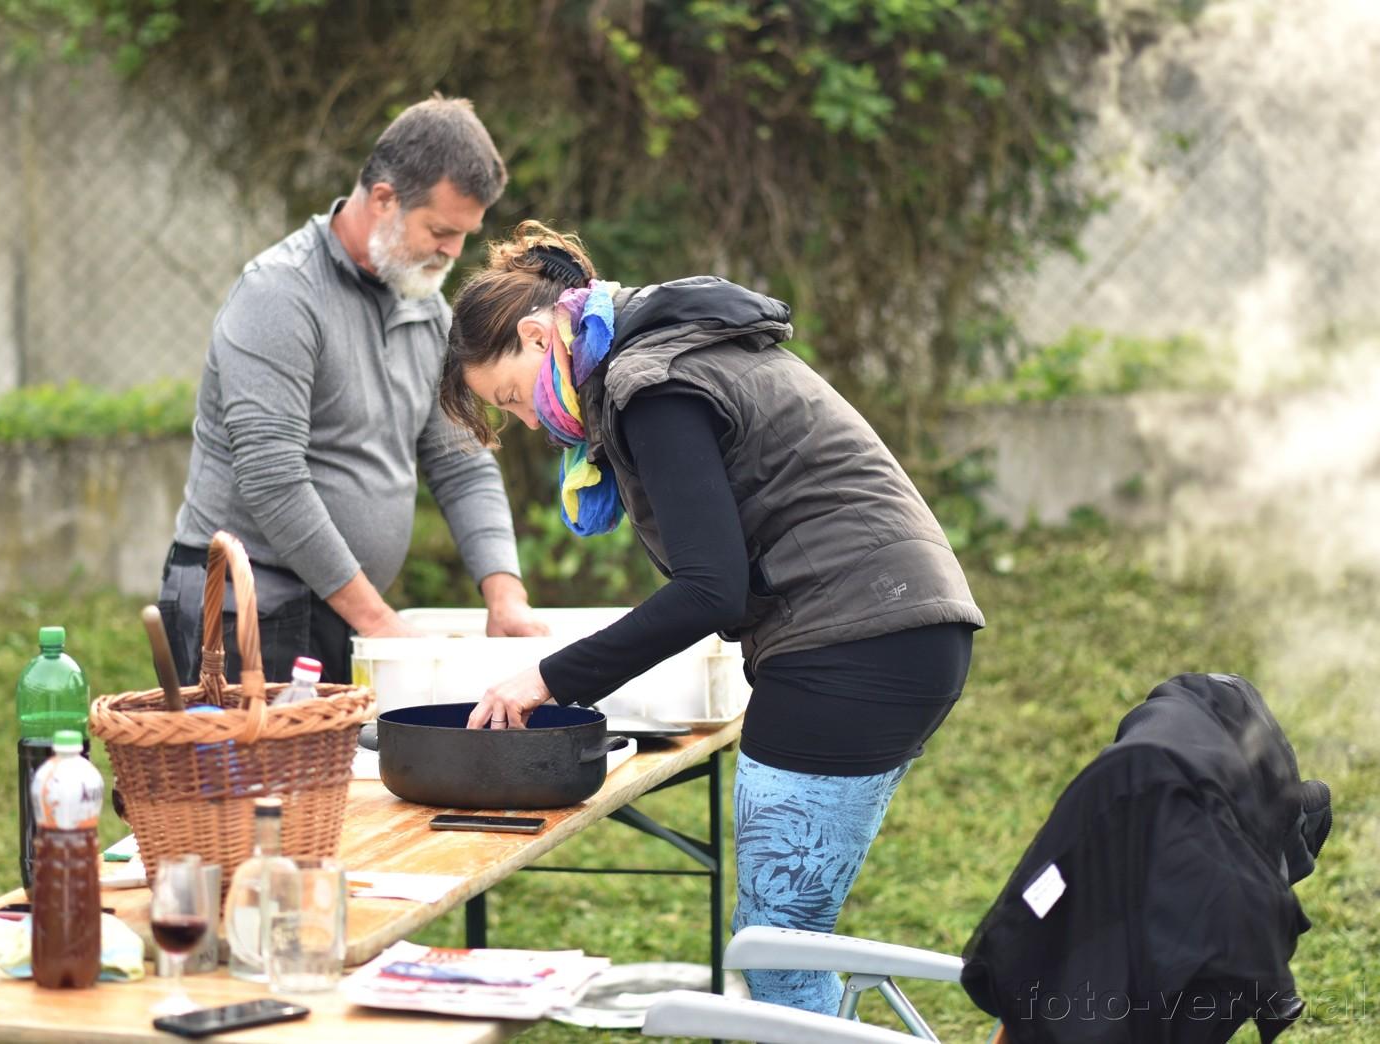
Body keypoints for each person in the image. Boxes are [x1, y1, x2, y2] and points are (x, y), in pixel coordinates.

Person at [439, 222, 985, 1015]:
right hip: (894, 633)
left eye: (511, 397)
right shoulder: (673, 354)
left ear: (535, 336)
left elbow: (709, 591)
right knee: (784, 945)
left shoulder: (651, 385)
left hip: (853, 645)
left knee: (776, 953)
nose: (529, 421)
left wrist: (546, 680)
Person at [161, 97, 546, 689]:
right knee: (252, 759)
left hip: (343, 611)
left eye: (463, 235)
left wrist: (505, 594)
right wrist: (378, 621)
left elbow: (462, 464)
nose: (453, 252)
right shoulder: (280, 296)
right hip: (246, 611)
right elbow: (272, 479)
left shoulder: (424, 305)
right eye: (440, 231)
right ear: (384, 198)